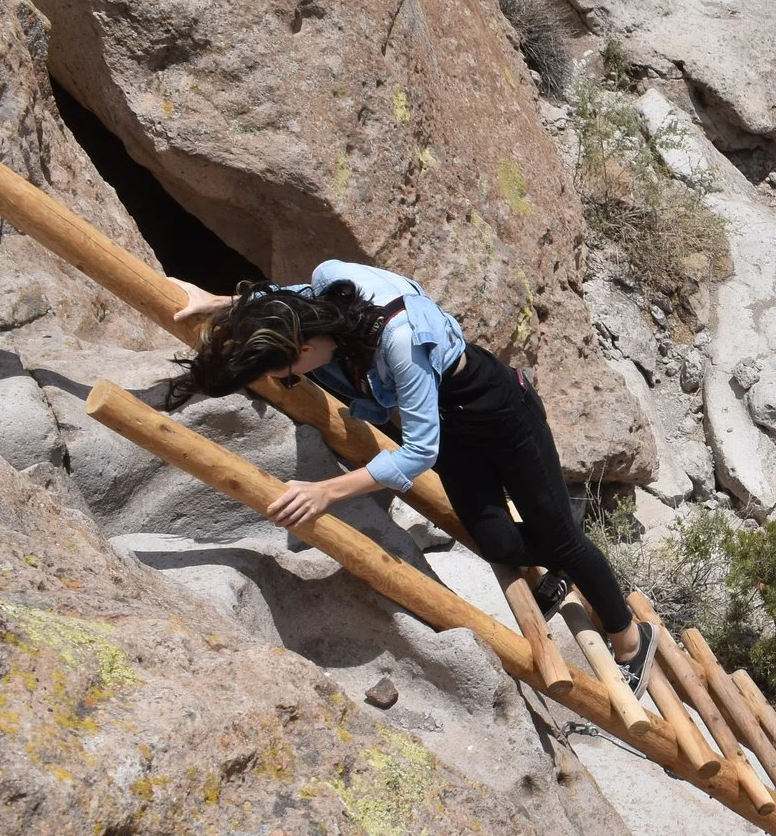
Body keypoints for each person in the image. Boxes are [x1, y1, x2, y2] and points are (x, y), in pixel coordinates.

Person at [165, 261, 654, 689]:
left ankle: (631, 639)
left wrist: (327, 491)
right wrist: (218, 303)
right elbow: (281, 300)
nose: (295, 379)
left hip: (500, 412)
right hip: (449, 422)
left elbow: (419, 451)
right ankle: (560, 548)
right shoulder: (322, 291)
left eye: (292, 371)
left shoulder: (400, 340)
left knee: (562, 540)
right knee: (499, 544)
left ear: (308, 344)